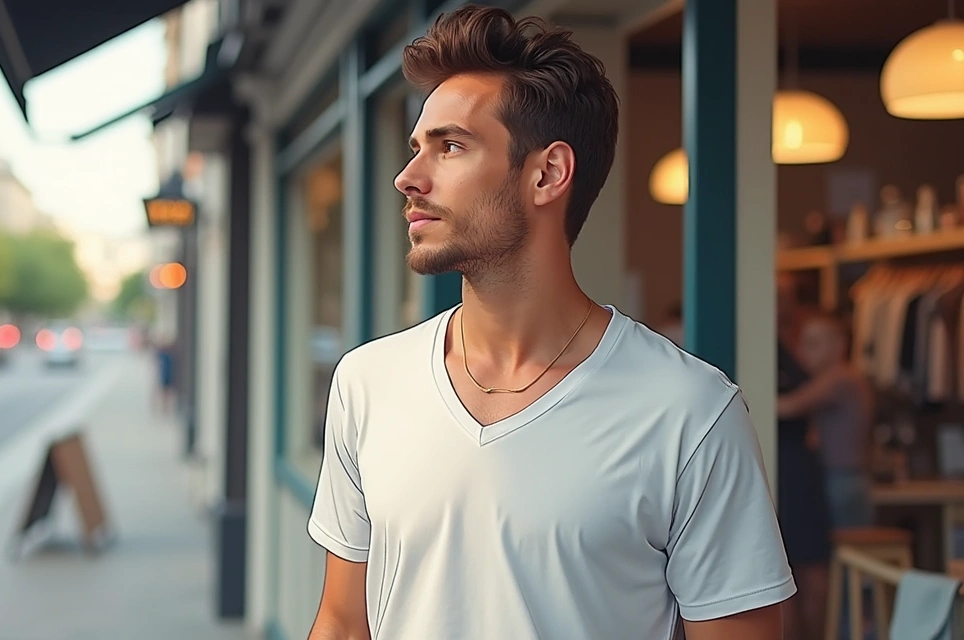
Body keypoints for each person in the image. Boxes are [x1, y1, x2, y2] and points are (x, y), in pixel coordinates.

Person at [305, 7, 794, 639]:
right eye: (416, 148)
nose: (409, 178)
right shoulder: (368, 382)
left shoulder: (689, 413)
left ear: (547, 174)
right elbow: (344, 625)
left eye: (450, 146)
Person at [773, 273, 833, 640]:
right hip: (787, 463)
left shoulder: (799, 343)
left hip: (803, 466)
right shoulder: (772, 346)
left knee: (809, 563)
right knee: (793, 563)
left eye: (786, 295)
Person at [780, 310, 874, 528]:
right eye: (802, 344)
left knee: (846, 551)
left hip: (841, 479)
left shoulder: (840, 377)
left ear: (839, 345)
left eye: (813, 344)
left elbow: (790, 406)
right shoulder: (843, 378)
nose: (802, 352)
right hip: (844, 477)